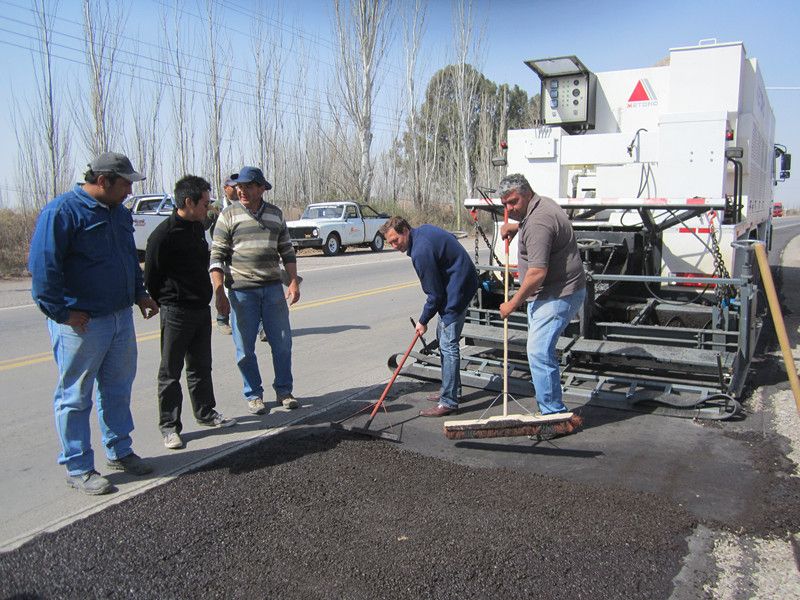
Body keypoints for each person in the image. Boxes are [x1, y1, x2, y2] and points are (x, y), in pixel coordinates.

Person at [28, 152, 158, 496]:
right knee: (75, 396)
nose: (130, 189)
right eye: (126, 182)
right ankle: (79, 466)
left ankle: (119, 450)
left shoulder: (119, 214)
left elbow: (129, 257)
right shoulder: (62, 211)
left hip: (119, 318)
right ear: (103, 181)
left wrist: (139, 293)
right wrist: (61, 313)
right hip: (81, 324)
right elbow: (43, 269)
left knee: (117, 388)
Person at [144, 175, 237, 450]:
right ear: (189, 202)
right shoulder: (163, 235)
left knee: (200, 366)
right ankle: (170, 427)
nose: (208, 208)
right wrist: (168, 299)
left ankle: (206, 413)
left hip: (199, 309)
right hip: (175, 311)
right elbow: (151, 276)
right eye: (205, 203)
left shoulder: (198, 228)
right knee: (170, 371)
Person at [209, 166, 301, 415]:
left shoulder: (275, 214)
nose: (242, 191)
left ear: (261, 188)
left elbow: (287, 251)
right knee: (244, 348)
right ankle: (254, 394)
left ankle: (284, 390)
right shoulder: (227, 216)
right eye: (240, 187)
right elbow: (216, 256)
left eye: (249, 186)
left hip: (272, 290)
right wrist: (219, 292)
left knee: (282, 344)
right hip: (241, 292)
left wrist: (293, 281)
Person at [497, 173, 587, 415]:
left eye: (513, 202)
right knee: (540, 350)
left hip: (558, 294)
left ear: (527, 194)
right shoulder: (540, 206)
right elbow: (537, 227)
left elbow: (536, 273)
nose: (509, 208)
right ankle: (552, 409)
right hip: (553, 291)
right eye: (505, 204)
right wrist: (517, 227)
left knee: (538, 351)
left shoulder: (538, 221)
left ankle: (553, 414)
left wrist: (512, 304)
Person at [381, 217, 479, 417]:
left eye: (395, 240)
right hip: (457, 282)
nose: (393, 246)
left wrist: (422, 320)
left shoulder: (420, 251)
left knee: (448, 345)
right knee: (443, 338)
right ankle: (450, 390)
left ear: (406, 231)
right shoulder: (422, 233)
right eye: (390, 242)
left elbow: (435, 294)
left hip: (458, 290)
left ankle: (449, 402)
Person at [209, 175, 238, 335]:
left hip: (238, 252)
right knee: (223, 287)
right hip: (221, 252)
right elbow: (203, 224)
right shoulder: (216, 207)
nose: (237, 189)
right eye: (233, 186)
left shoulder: (243, 203)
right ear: (225, 188)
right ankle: (222, 319)